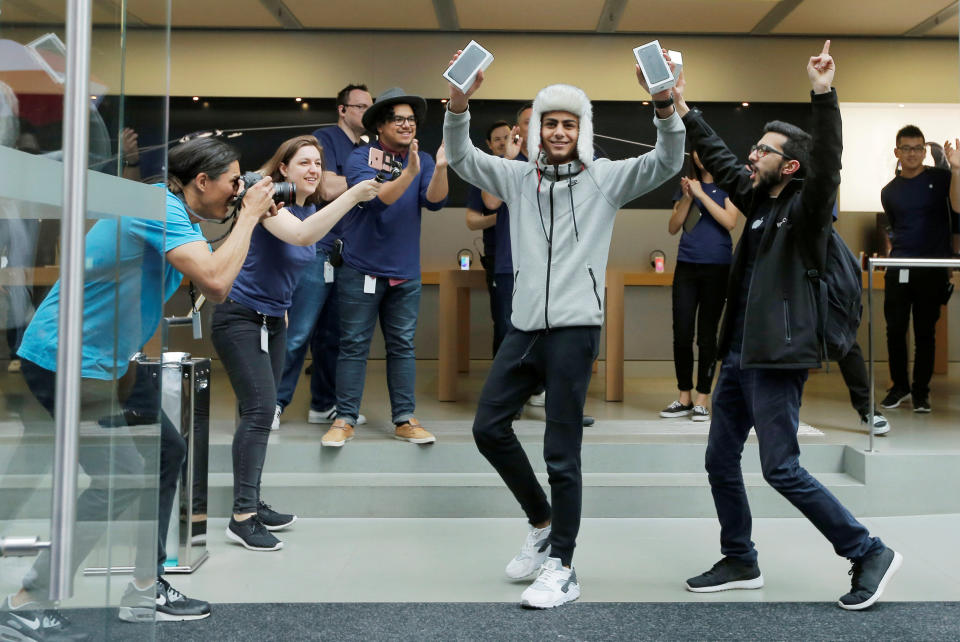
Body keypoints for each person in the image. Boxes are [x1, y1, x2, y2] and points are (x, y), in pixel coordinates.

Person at [4, 136, 280, 635]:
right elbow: (217, 282)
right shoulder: (156, 207)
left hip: (109, 364)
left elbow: (216, 270)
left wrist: (248, 215)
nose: (240, 189)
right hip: (66, 362)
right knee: (120, 478)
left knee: (166, 452)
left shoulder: (174, 213)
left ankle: (144, 587)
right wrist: (251, 216)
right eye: (234, 181)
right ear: (201, 181)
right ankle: (27, 600)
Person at [444, 48, 685, 608]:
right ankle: (541, 519)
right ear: (535, 131)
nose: (557, 131)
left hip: (576, 330)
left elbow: (668, 158)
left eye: (567, 124)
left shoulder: (606, 180)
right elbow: (460, 157)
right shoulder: (518, 178)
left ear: (583, 130)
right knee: (487, 428)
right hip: (525, 327)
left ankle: (564, 566)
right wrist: (459, 100)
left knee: (562, 451)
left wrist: (663, 100)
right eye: (549, 123)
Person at [675, 41, 902, 611]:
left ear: (791, 165)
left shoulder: (807, 212)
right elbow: (725, 164)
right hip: (741, 356)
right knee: (719, 459)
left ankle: (867, 549)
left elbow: (828, 164)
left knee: (781, 468)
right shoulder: (759, 204)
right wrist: (680, 109)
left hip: (779, 357)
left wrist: (823, 94)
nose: (753, 155)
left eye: (765, 151)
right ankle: (741, 557)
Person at [212, 135, 380, 551]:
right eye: (303, 161)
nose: (313, 169)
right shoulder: (269, 202)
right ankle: (242, 518)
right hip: (240, 318)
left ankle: (250, 502)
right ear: (282, 169)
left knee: (260, 412)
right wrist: (356, 194)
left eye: (318, 163)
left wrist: (282, 305)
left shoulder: (305, 207)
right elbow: (303, 238)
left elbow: (286, 258)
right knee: (257, 413)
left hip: (270, 319)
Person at [323, 87, 449, 448]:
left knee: (402, 347)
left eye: (411, 119)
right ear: (380, 124)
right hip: (360, 268)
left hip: (405, 271)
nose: (407, 124)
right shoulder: (361, 156)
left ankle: (405, 419)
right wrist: (410, 171)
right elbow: (377, 199)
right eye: (399, 119)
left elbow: (435, 201)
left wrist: (438, 167)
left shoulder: (422, 158)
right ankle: (344, 418)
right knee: (353, 346)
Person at [273, 84, 375, 430]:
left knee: (334, 335)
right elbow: (326, 188)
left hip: (345, 254)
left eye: (369, 107)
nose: (366, 112)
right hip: (314, 248)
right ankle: (272, 403)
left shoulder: (367, 147)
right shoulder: (325, 139)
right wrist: (364, 181)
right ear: (342, 110)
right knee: (298, 332)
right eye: (359, 106)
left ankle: (323, 404)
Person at [878, 127, 960, 413]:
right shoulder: (889, 192)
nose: (912, 153)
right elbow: (895, 228)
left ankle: (921, 392)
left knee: (926, 332)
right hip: (900, 266)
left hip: (932, 268)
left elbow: (957, 207)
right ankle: (899, 386)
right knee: (895, 330)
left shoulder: (941, 178)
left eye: (917, 148)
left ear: (925, 151)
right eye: (906, 148)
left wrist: (957, 168)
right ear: (897, 152)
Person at [660, 150, 737, 422]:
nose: (702, 155)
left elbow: (730, 221)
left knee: (707, 335)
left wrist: (703, 195)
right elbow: (673, 226)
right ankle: (684, 396)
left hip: (717, 267)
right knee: (681, 333)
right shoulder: (686, 186)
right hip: (686, 266)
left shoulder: (730, 184)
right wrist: (688, 197)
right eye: (698, 150)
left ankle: (703, 398)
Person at [465, 120, 514, 354]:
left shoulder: (525, 167)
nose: (504, 142)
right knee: (504, 322)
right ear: (489, 145)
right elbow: (472, 221)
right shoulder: (483, 175)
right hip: (497, 257)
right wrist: (503, 217)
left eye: (507, 136)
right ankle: (503, 383)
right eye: (498, 139)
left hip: (528, 258)